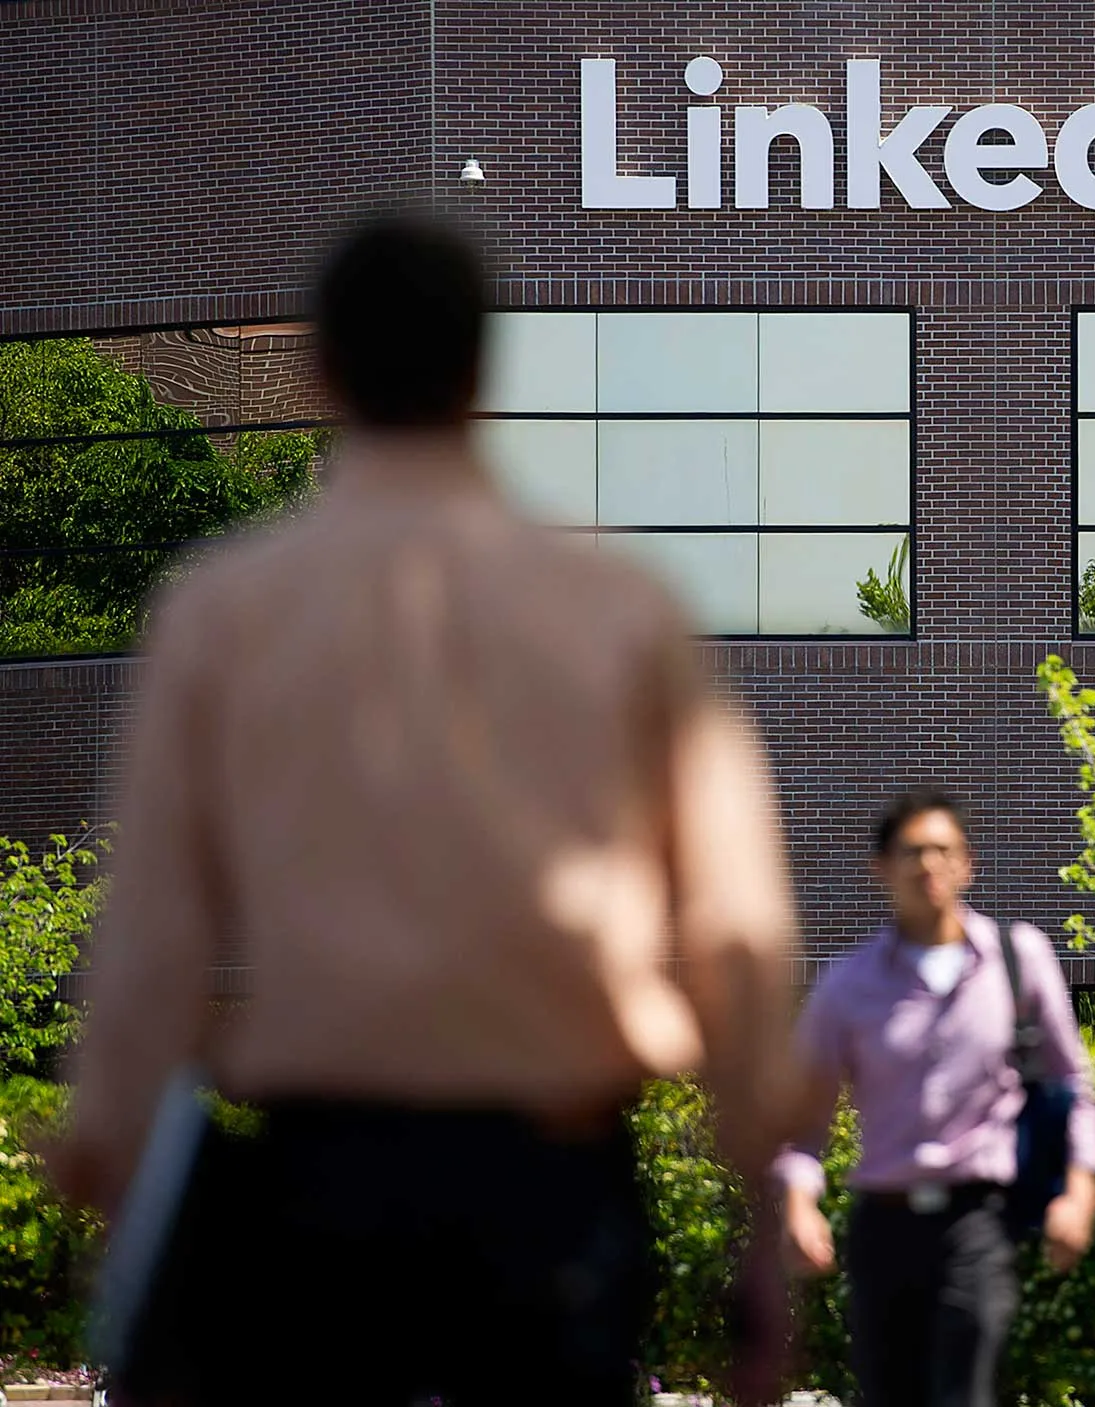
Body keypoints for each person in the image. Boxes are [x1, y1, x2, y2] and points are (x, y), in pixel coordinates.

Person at [48, 216, 800, 1405]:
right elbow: (734, 927)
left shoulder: (224, 612)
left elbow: (154, 937)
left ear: (320, 370)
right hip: (557, 1196)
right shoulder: (620, 605)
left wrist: (110, 1159)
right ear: (483, 370)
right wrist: (759, 1190)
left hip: (317, 1193)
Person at [777, 789, 1095, 1407]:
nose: (927, 865)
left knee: (964, 1390)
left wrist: (1079, 1189)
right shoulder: (847, 986)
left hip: (977, 1221)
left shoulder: (1017, 960)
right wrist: (798, 1206)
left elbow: (1074, 1086)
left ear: (966, 864)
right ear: (881, 868)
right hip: (884, 1225)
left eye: (942, 850)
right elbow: (803, 1123)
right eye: (911, 852)